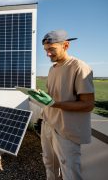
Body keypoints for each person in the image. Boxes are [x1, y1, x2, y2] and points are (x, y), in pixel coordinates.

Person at [31, 30, 95, 180]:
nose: (48, 54)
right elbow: (54, 96)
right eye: (46, 50)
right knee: (49, 165)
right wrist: (43, 96)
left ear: (65, 45)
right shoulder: (52, 69)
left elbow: (88, 104)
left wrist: (55, 103)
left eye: (51, 49)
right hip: (48, 125)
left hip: (66, 130)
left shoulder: (79, 67)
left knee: (70, 172)